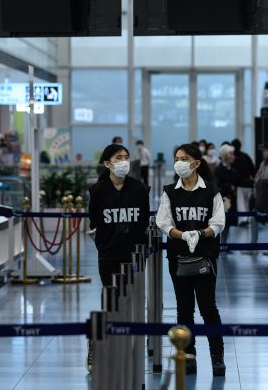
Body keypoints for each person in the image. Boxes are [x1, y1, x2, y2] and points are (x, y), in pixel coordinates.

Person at [156, 143, 226, 376]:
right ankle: (188, 357)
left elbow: (218, 223)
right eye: (176, 158)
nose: (179, 163)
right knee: (184, 311)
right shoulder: (169, 191)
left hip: (205, 257)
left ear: (196, 163)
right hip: (178, 257)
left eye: (184, 158)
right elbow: (164, 222)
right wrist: (183, 235)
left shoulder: (211, 191)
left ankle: (217, 357)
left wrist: (200, 234)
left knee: (208, 309)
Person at [86, 143, 150, 372]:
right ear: (107, 163)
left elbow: (143, 222)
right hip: (109, 255)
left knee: (131, 304)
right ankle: (97, 344)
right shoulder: (98, 191)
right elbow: (94, 223)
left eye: (126, 156)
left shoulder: (140, 189)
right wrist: (104, 246)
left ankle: (127, 349)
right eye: (118, 157)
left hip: (134, 255)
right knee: (112, 303)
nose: (124, 161)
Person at [231, 139, 256, 227]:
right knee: (248, 202)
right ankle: (249, 219)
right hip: (249, 183)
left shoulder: (232, 158)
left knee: (241, 202)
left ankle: (243, 219)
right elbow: (253, 170)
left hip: (240, 184)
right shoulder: (246, 156)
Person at [214, 144, 237, 214]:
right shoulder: (218, 170)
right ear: (225, 156)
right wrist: (229, 187)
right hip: (221, 202)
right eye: (231, 154)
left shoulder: (233, 170)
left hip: (232, 203)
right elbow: (217, 186)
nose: (233, 157)